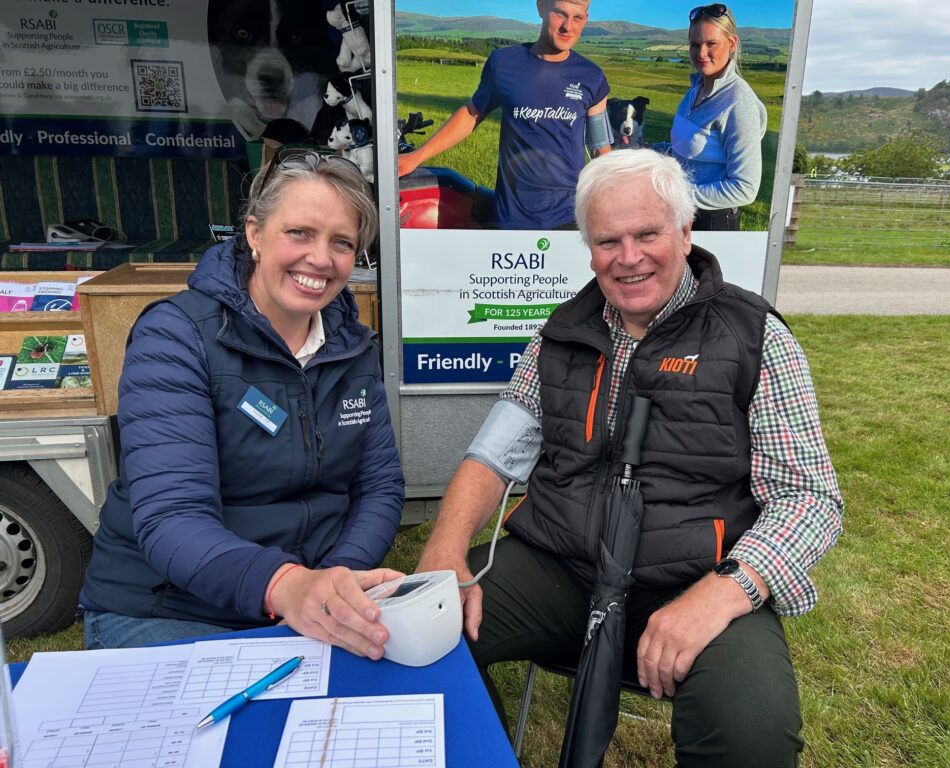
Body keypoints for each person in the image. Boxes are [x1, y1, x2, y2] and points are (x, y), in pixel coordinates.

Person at [417, 149, 844, 765]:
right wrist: (444, 552)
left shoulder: (754, 337)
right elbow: (492, 457)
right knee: (418, 635)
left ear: (685, 231)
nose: (629, 256)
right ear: (589, 249)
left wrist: (721, 596)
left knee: (753, 734)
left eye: (648, 233)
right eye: (608, 240)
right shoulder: (561, 335)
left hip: (697, 577)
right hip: (561, 566)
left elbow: (810, 499)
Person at [80, 150, 406, 659]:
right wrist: (287, 586)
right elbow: (173, 517)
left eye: (342, 243)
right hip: (170, 608)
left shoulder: (353, 347)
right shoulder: (176, 336)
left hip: (304, 599)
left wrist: (332, 582)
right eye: (299, 233)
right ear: (254, 233)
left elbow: (379, 487)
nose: (321, 259)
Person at [396, 0, 612, 230]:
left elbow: (600, 147)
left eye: (577, 18)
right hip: (511, 216)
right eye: (560, 14)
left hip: (569, 218)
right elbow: (471, 114)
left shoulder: (592, 77)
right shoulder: (504, 63)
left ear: (586, 19)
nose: (567, 27)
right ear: (541, 7)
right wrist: (416, 157)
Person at [669, 4, 767, 231]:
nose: (701, 53)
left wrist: (676, 196)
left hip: (712, 222)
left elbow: (745, 188)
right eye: (695, 45)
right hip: (681, 215)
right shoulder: (695, 90)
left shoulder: (738, 103)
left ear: (731, 44)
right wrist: (640, 151)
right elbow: (684, 149)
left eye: (711, 44)